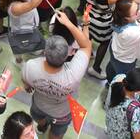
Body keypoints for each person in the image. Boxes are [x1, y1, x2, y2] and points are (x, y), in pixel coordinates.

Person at [21, 9, 91, 139]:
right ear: (67, 56)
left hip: (39, 104)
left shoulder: (30, 65)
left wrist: (27, 86)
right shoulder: (74, 75)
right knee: (56, 134)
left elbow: (25, 82)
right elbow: (86, 46)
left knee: (39, 118)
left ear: (45, 52)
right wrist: (76, 24)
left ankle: (42, 126)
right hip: (62, 113)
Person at [76, 0, 137, 80]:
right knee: (104, 42)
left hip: (88, 18)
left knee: (88, 35)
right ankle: (95, 68)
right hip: (102, 24)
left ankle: (86, 53)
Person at [0, 0, 49, 64]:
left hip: (30, 27)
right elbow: (32, 5)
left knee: (31, 43)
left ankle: (33, 50)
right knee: (21, 46)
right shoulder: (15, 7)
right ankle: (18, 60)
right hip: (22, 31)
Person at [105, 68, 140, 139]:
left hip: (110, 127)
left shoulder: (118, 79)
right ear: (138, 90)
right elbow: (138, 137)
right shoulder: (135, 110)